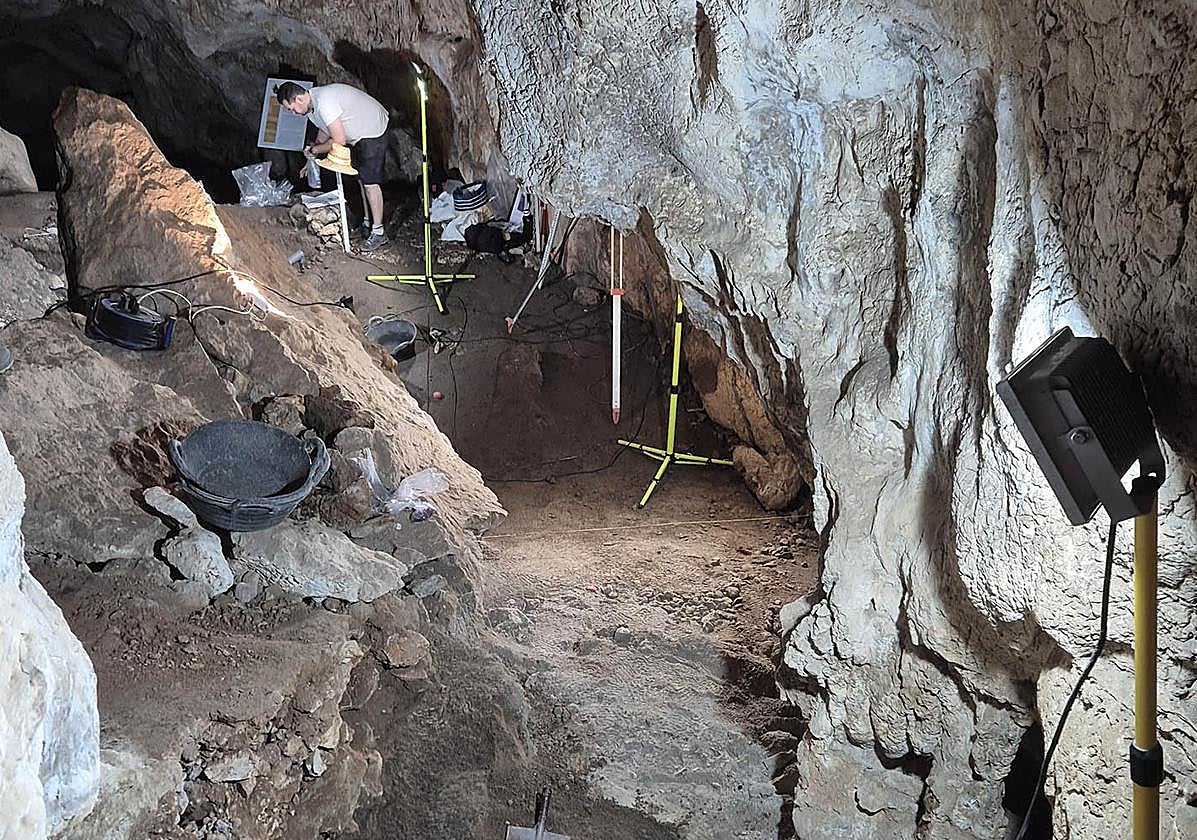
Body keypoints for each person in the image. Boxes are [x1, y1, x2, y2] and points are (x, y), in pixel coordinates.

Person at [275, 81, 391, 252]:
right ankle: (367, 223)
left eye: (292, 108)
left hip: (372, 129)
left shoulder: (325, 102)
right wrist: (312, 154)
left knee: (370, 183)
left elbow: (338, 141)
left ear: (299, 99)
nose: (293, 113)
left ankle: (379, 232)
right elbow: (325, 129)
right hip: (357, 133)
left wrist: (316, 149)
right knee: (361, 180)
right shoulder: (311, 107)